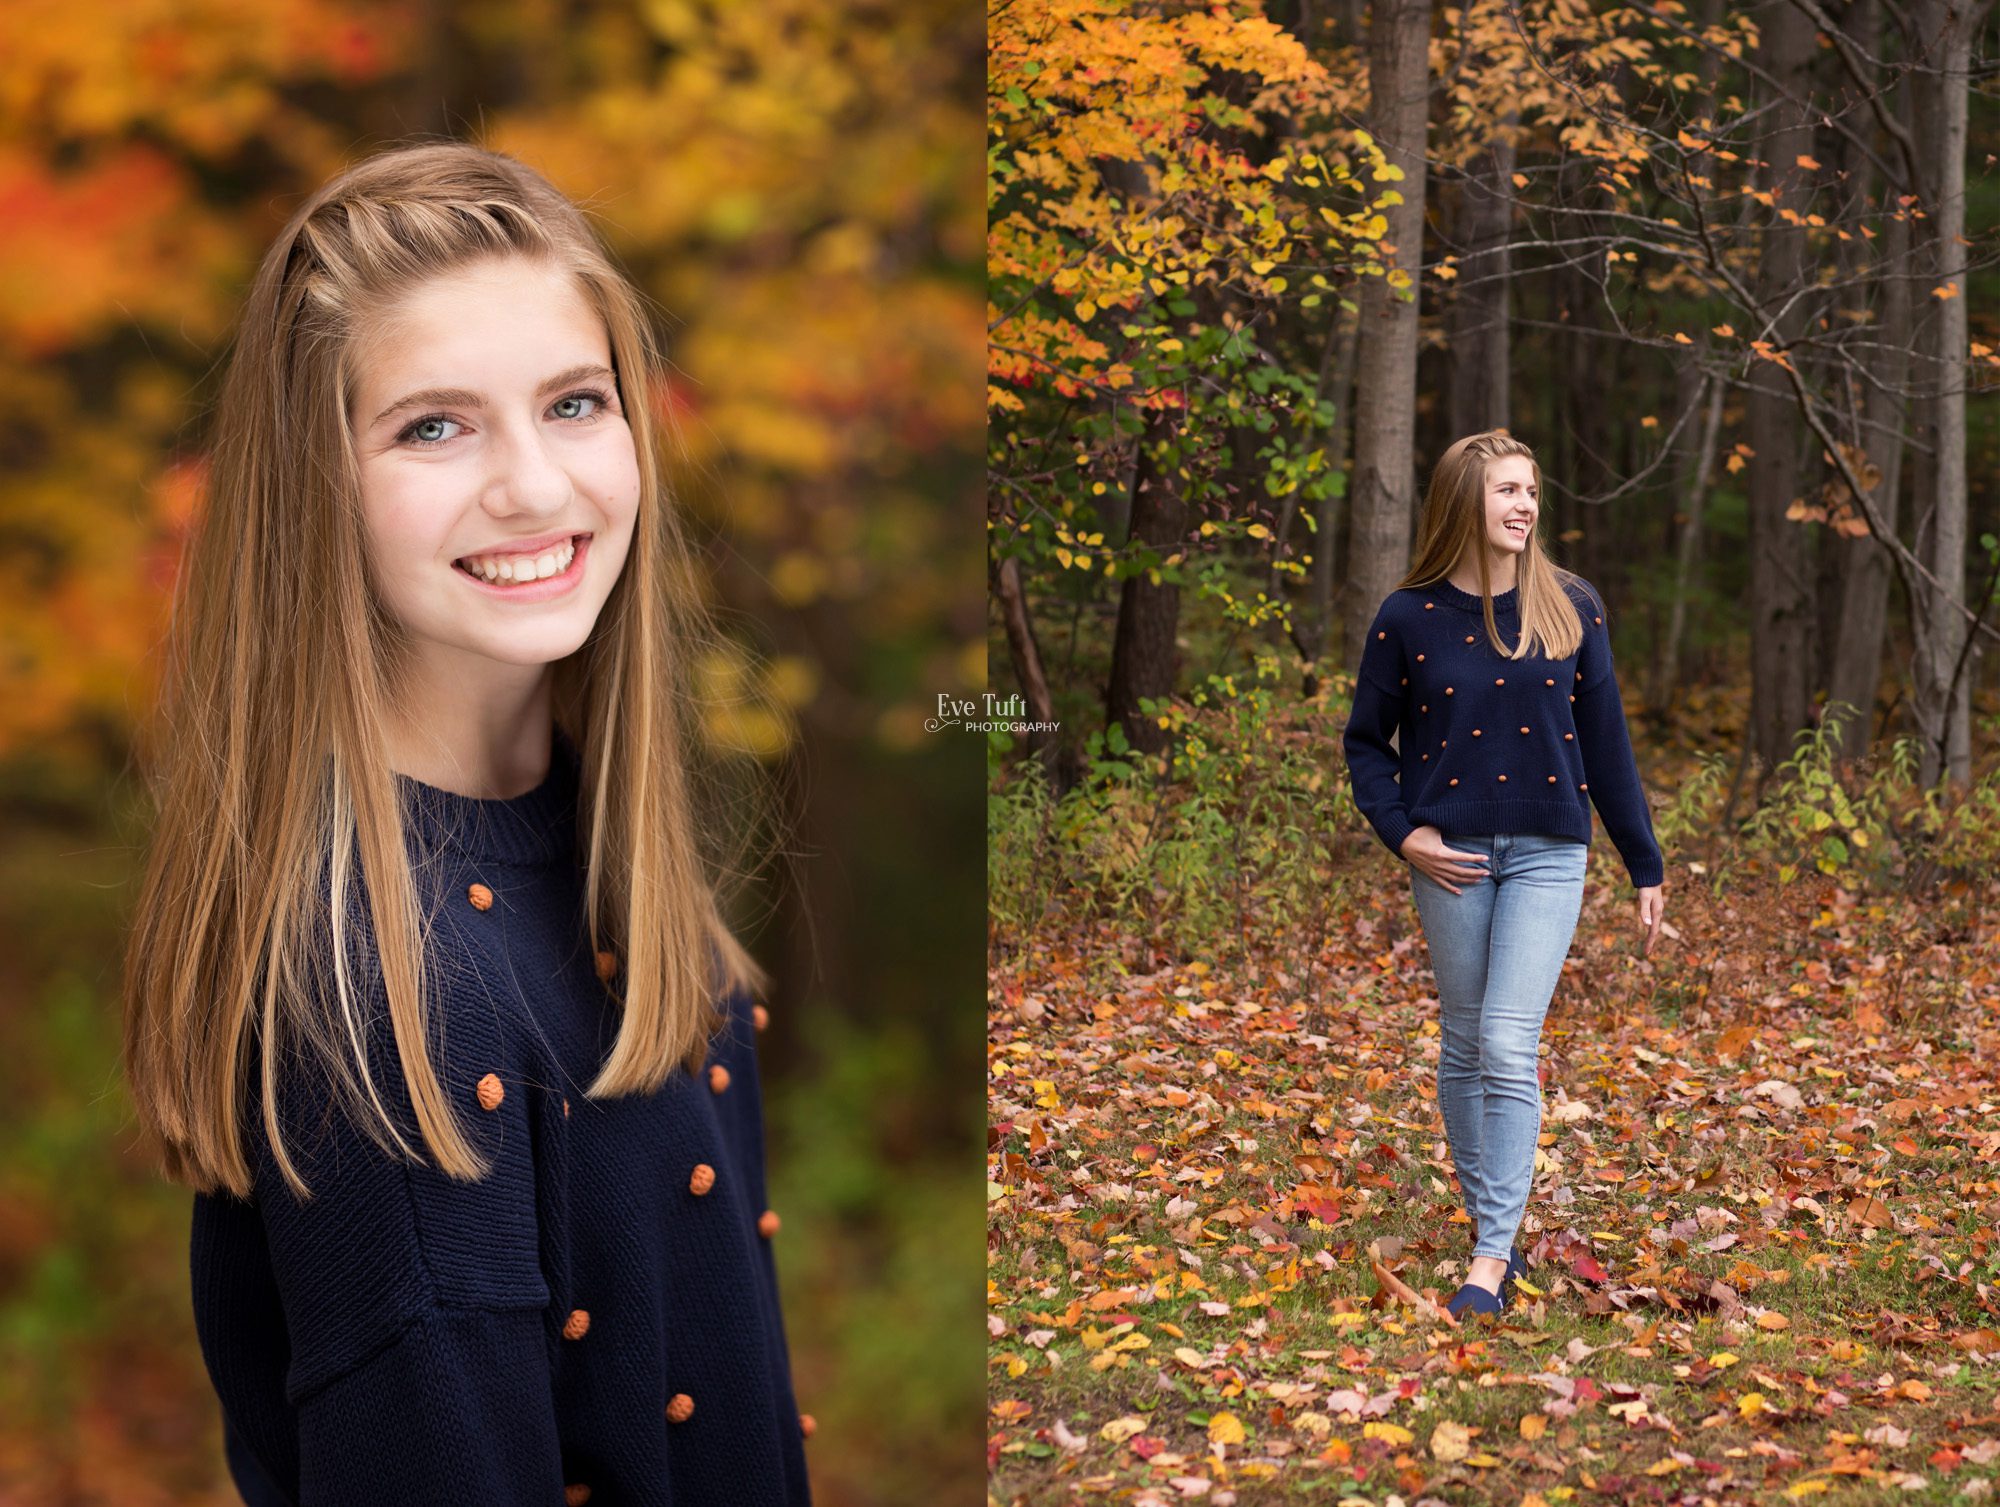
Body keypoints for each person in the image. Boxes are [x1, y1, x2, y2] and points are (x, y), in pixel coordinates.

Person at [120, 140, 813, 1504]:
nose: (536, 487)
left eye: (574, 403)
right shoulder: (390, 993)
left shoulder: (601, 853)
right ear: (315, 484)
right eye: (433, 426)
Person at [1341, 430, 1667, 1323]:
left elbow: (1607, 742)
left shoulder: (1572, 605)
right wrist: (1402, 833)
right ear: (1463, 501)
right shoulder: (1407, 617)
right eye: (1506, 491)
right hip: (1449, 858)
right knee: (1462, 1042)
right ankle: (1501, 1230)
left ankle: (1487, 1261)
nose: (1524, 505)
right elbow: (1366, 743)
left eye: (1530, 490)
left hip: (1550, 853)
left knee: (1506, 1040)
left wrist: (1644, 860)